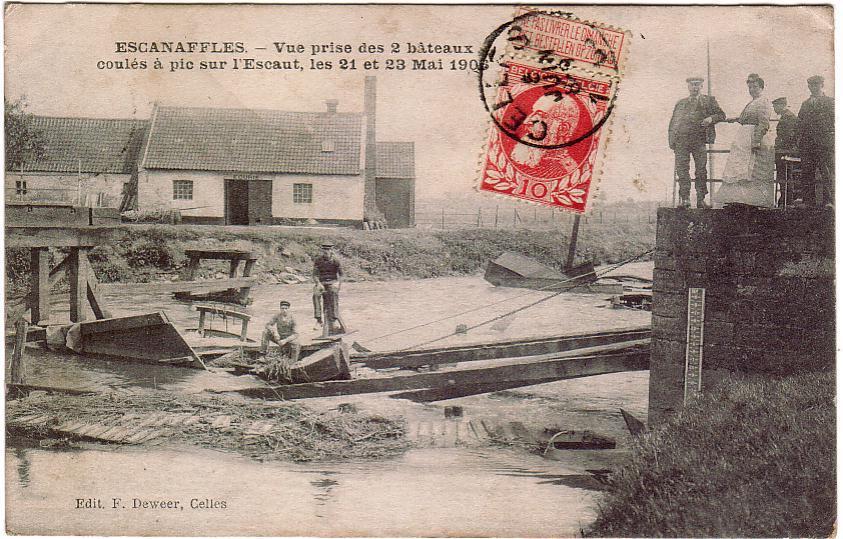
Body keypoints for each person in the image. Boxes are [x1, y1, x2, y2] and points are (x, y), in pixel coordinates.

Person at [714, 74, 775, 207]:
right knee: (738, 167)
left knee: (750, 169)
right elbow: (744, 119)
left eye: (755, 87)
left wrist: (757, 141)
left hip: (752, 136)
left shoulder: (763, 101)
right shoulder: (752, 103)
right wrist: (733, 119)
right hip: (744, 137)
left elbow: (763, 123)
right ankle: (738, 199)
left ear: (761, 87)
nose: (752, 89)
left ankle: (751, 200)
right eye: (750, 87)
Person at [668, 76, 726, 209]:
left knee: (701, 170)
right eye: (692, 85)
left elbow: (722, 115)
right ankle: (685, 199)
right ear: (688, 87)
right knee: (682, 170)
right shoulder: (680, 103)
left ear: (701, 86)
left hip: (699, 140)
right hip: (681, 141)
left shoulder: (709, 101)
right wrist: (672, 141)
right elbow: (673, 123)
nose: (694, 87)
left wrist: (710, 119)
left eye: (697, 85)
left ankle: (701, 199)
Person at [797, 75, 834, 207]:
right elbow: (800, 123)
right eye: (811, 85)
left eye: (816, 85)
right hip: (807, 145)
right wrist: (799, 141)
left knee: (827, 172)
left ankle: (829, 201)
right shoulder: (805, 104)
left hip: (825, 144)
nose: (813, 88)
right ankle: (808, 201)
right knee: (807, 172)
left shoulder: (831, 102)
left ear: (822, 85)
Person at [772, 97, 799, 206]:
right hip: (785, 150)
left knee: (784, 176)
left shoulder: (788, 117)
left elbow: (788, 136)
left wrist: (781, 148)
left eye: (775, 106)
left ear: (781, 105)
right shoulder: (787, 116)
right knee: (784, 176)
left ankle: (786, 200)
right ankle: (785, 199)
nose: (774, 108)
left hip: (785, 151)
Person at [312, 241, 343, 333]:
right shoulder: (318, 260)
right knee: (316, 294)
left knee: (333, 293)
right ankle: (318, 319)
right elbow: (315, 275)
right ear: (322, 250)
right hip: (322, 282)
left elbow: (341, 275)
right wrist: (318, 283)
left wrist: (338, 283)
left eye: (328, 249)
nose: (326, 251)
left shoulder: (336, 260)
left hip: (333, 282)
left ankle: (334, 319)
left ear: (331, 250)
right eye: (324, 249)